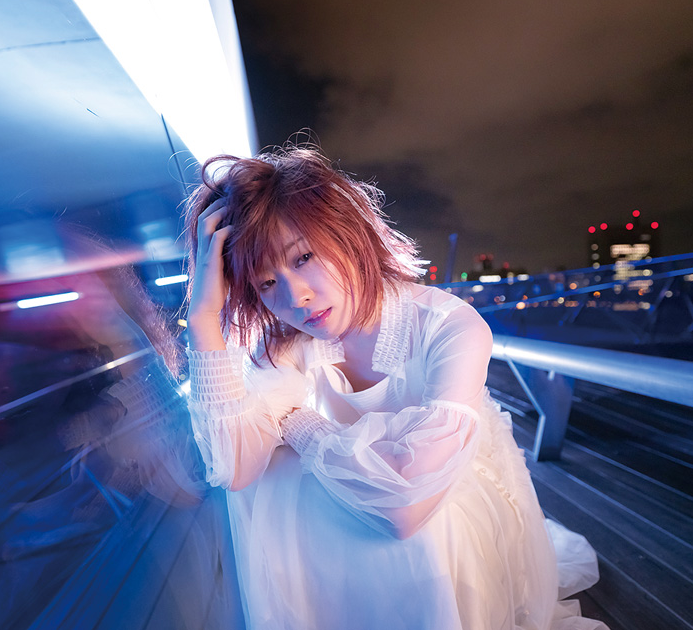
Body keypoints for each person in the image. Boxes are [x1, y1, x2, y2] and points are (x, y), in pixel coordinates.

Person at [183, 146, 606, 630]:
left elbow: (406, 507)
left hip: (446, 502)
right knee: (275, 481)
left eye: (304, 257)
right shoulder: (287, 342)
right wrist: (204, 318)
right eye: (265, 284)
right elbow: (236, 467)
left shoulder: (447, 325)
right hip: (366, 500)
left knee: (418, 537)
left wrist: (299, 424)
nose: (296, 296)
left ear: (348, 232)